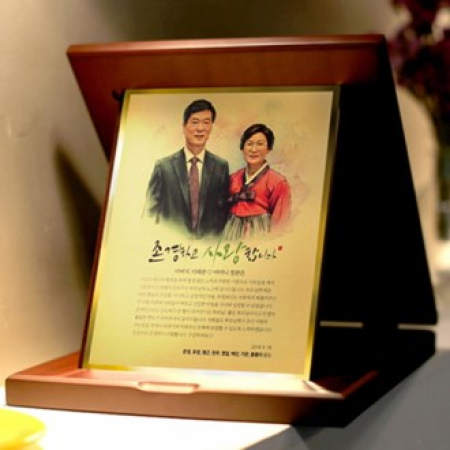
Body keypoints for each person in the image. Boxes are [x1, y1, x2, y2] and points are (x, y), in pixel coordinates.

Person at [144, 99, 230, 238]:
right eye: (195, 122)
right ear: (184, 127)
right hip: (171, 243)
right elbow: (150, 212)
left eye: (206, 122)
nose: (200, 128)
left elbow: (223, 213)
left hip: (208, 245)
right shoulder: (163, 167)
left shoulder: (221, 167)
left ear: (211, 128)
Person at [223, 123, 291, 240]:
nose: (254, 149)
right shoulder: (233, 178)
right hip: (231, 231)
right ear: (242, 148)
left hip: (260, 232)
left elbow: (280, 223)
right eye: (249, 144)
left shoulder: (278, 182)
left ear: (268, 149)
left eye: (260, 144)